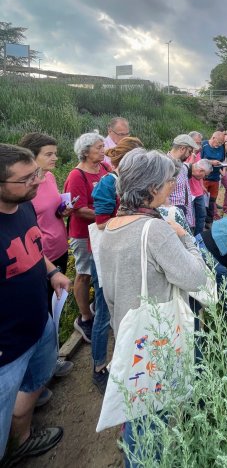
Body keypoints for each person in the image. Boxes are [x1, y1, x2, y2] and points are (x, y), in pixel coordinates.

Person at [97, 148, 206, 464]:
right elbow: (195, 277)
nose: (173, 185)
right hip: (157, 337)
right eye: (168, 181)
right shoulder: (155, 229)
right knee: (152, 420)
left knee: (138, 405)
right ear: (150, 188)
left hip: (129, 333)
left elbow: (110, 294)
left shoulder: (110, 229)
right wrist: (185, 237)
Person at [0, 144, 71, 465]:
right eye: (26, 178)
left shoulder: (23, 206)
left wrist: (52, 270)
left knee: (34, 383)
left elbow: (31, 246)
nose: (37, 182)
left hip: (38, 323)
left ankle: (24, 438)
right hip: (6, 346)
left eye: (37, 174)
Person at [18, 132, 74, 380]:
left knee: (53, 309)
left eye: (55, 152)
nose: (55, 157)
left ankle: (48, 364)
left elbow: (50, 211)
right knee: (40, 313)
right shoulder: (21, 187)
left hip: (59, 248)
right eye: (48, 154)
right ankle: (36, 375)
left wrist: (63, 210)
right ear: (32, 157)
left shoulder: (49, 178)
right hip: (39, 256)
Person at [90, 137, 143, 394]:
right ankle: (99, 366)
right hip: (106, 253)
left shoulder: (130, 182)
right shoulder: (108, 184)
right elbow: (101, 223)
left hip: (124, 250)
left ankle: (121, 361)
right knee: (103, 310)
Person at [64, 132, 110, 343]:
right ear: (85, 151)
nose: (103, 150)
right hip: (83, 234)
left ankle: (97, 307)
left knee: (101, 271)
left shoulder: (105, 169)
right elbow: (78, 209)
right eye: (99, 147)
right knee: (84, 274)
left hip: (102, 230)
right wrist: (108, 214)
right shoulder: (77, 176)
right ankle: (84, 317)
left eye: (103, 146)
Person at [167, 134, 199, 229]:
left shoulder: (182, 165)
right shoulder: (165, 165)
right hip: (173, 213)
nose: (190, 154)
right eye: (189, 151)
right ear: (182, 148)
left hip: (182, 211)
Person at [201, 131, 226, 225]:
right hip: (204, 178)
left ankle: (209, 221)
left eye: (221, 143)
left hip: (215, 178)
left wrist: (223, 169)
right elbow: (199, 161)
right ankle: (201, 221)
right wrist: (211, 162)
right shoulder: (204, 145)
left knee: (212, 201)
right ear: (213, 137)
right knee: (203, 201)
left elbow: (222, 160)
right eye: (218, 142)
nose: (219, 145)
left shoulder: (221, 147)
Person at [186, 131, 209, 235]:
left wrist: (202, 185)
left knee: (202, 215)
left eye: (199, 143)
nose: (198, 145)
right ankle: (190, 239)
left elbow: (200, 169)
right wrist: (193, 154)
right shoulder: (185, 153)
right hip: (188, 191)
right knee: (189, 218)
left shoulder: (198, 152)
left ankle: (199, 238)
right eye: (196, 142)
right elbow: (187, 169)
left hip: (198, 190)